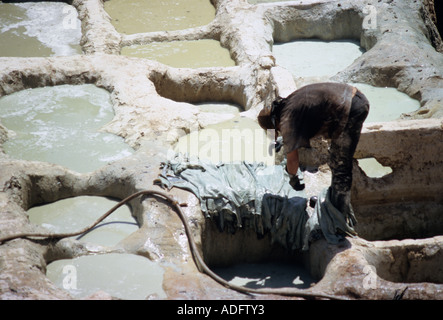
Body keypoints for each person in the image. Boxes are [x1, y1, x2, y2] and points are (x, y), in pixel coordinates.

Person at [257, 82, 369, 228]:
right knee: (335, 158)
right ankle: (334, 203)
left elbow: (293, 161)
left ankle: (338, 218)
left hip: (352, 107)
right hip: (350, 96)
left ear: (275, 123)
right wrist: (281, 139)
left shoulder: (287, 120)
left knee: (341, 164)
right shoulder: (287, 105)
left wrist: (292, 178)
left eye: (275, 130)